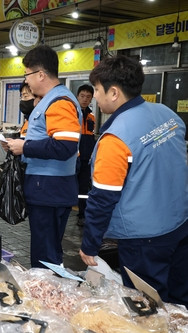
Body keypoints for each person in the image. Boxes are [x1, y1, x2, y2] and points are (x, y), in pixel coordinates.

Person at [79, 55, 188, 307]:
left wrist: (89, 245)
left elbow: (102, 198)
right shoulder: (167, 114)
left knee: (147, 306)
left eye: (96, 90)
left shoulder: (116, 138)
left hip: (144, 240)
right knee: (179, 300)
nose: (94, 96)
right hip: (181, 224)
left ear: (114, 92)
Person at [6, 45, 82, 268]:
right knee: (45, 249)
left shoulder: (59, 102)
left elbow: (65, 146)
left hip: (50, 188)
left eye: (27, 75)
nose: (26, 81)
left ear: (40, 74)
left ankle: (46, 296)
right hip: (46, 187)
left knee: (45, 255)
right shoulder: (48, 100)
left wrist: (25, 147)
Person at [75, 84, 96, 227]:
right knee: (70, 184)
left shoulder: (92, 116)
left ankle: (82, 214)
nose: (85, 99)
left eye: (88, 97)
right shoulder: (72, 113)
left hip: (86, 158)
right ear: (77, 96)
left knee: (83, 188)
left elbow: (91, 137)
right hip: (73, 157)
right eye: (82, 96)